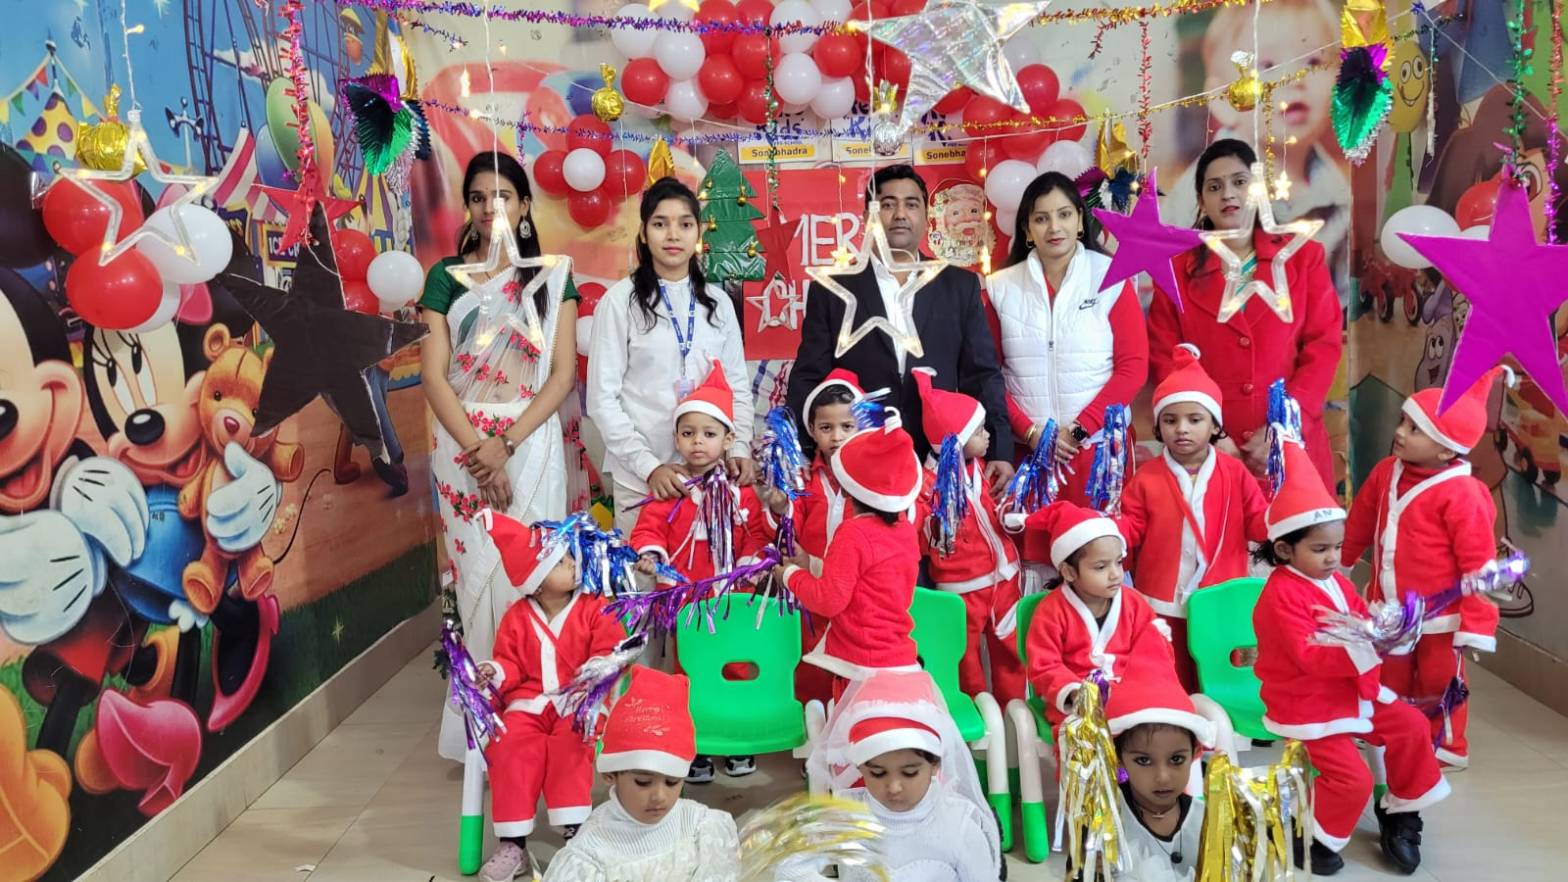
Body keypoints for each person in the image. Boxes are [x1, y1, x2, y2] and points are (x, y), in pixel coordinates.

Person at [420, 151, 578, 761]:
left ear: (525, 204)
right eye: (479, 197)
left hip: (529, 441)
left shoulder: (552, 278)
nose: (492, 207)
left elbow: (561, 376)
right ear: (468, 207)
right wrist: (476, 450)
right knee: (476, 579)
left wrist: (505, 445)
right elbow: (434, 377)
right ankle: (482, 739)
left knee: (534, 576)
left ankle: (537, 724)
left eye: (504, 196)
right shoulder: (445, 278)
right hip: (461, 444)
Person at [1252, 442, 1449, 876]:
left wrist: (1387, 629)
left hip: (1351, 689)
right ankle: (1312, 835)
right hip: (1307, 702)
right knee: (1351, 778)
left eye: (1338, 547)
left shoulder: (1336, 584)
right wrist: (1367, 645)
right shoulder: (1280, 596)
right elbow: (1308, 656)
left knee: (1412, 726)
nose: (1333, 558)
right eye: (1321, 549)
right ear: (1284, 550)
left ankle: (1401, 808)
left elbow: (1360, 620)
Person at [786, 164, 1014, 490]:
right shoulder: (833, 289)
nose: (900, 215)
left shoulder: (959, 286)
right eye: (888, 204)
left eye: (911, 204)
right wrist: (800, 451)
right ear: (868, 216)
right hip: (860, 460)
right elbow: (810, 374)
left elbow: (982, 373)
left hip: (942, 462)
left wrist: (1001, 449)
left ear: (926, 216)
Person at [1148, 139, 1343, 493]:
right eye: (1214, 187)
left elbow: (1323, 347)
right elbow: (1166, 359)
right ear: (1201, 200)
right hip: (1208, 455)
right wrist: (1210, 433)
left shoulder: (1304, 258)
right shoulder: (1174, 272)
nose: (1228, 194)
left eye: (1240, 182)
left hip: (1291, 449)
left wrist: (1284, 426)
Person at [1341, 370, 1504, 770]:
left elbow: (1479, 565)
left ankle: (1446, 745)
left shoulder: (1464, 493)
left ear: (1447, 450)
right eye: (1403, 421)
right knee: (1388, 676)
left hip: (1441, 619)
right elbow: (1360, 521)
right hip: (1389, 609)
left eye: (1415, 429)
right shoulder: (1386, 472)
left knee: (1438, 680)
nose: (1399, 432)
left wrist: (1477, 624)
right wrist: (1340, 562)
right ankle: (1388, 734)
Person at [588, 177, 755, 537]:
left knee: (708, 567)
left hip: (710, 471)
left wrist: (740, 445)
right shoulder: (620, 302)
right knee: (647, 567)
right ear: (644, 233)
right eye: (660, 224)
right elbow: (602, 399)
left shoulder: (718, 303)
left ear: (698, 233)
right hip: (642, 476)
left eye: (685, 224)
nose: (673, 235)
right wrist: (649, 467)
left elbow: (737, 384)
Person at [629, 359, 768, 783]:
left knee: (736, 666)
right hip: (687, 599)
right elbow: (649, 527)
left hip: (731, 599)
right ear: (676, 438)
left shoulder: (741, 491)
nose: (697, 443)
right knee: (689, 670)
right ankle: (698, 745)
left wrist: (752, 566)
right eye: (688, 434)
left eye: (709, 434)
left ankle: (738, 738)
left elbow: (756, 535)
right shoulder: (671, 488)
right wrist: (651, 554)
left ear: (728, 439)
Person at [473, 511, 628, 881]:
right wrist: (494, 671)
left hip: (578, 701)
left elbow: (612, 650)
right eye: (560, 562)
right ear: (537, 582)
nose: (573, 564)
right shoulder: (516, 617)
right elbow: (509, 663)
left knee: (571, 742)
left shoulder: (594, 607)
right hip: (527, 703)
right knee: (507, 744)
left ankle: (575, 831)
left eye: (571, 557)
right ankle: (513, 843)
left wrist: (597, 669)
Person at [985, 171, 1149, 508]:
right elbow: (988, 374)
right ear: (1027, 230)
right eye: (1041, 218)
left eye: (1064, 215)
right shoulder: (999, 287)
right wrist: (1031, 433)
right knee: (1032, 541)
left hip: (1099, 451)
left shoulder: (1112, 277)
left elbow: (1133, 368)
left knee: (1098, 541)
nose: (1054, 227)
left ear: (1079, 222)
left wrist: (1079, 430)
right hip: (1028, 453)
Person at [1116, 344, 1269, 691]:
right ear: (1158, 426)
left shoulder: (1235, 473)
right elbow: (1131, 529)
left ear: (1215, 425)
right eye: (1170, 420)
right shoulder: (1146, 478)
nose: (1181, 429)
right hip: (1162, 601)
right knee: (1170, 676)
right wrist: (1108, 533)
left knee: (1221, 677)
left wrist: (1284, 517)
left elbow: (1259, 523)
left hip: (1221, 597)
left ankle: (1224, 722)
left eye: (1194, 420)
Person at [787, 670, 1002, 881]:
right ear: (860, 767)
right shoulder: (848, 816)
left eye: (909, 773)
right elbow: (790, 869)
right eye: (878, 773)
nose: (894, 787)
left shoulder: (957, 826)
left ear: (935, 764)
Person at [542, 666, 740, 882]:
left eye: (672, 782)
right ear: (610, 775)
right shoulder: (594, 850)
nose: (659, 796)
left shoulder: (698, 825)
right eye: (643, 782)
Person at [777, 409, 924, 699]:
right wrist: (811, 564)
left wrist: (790, 576)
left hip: (860, 664)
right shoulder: (905, 531)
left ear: (847, 489)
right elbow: (866, 579)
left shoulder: (853, 533)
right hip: (898, 655)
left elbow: (828, 599)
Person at [911, 367, 1025, 705]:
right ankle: (976, 721)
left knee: (1012, 652)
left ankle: (1013, 715)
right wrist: (935, 526)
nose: (988, 436)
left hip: (1004, 580)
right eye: (978, 431)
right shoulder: (927, 486)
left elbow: (997, 509)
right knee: (965, 660)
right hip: (962, 589)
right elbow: (921, 538)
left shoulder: (981, 470)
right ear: (954, 440)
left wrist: (1010, 515)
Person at [1019, 501, 1177, 732]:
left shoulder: (1134, 603)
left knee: (1162, 729)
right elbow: (1044, 666)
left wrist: (1143, 686)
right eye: (1101, 567)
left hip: (1132, 695)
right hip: (1079, 705)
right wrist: (1075, 693)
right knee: (1085, 736)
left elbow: (1156, 651)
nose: (1115, 574)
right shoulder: (1051, 612)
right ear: (1069, 572)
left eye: (1119, 562)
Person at [758, 368, 865, 704]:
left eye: (847, 426)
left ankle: (852, 722)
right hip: (813, 587)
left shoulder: (871, 479)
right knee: (811, 662)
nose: (836, 436)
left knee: (857, 669)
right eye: (826, 427)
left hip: (859, 590)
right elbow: (785, 534)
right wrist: (780, 508)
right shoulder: (803, 479)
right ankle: (812, 721)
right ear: (812, 430)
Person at [1107, 656, 1218, 882]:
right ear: (1119, 758)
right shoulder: (1108, 819)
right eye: (1144, 761)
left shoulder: (1206, 819)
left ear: (1194, 752)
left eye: (1176, 759)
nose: (1163, 777)